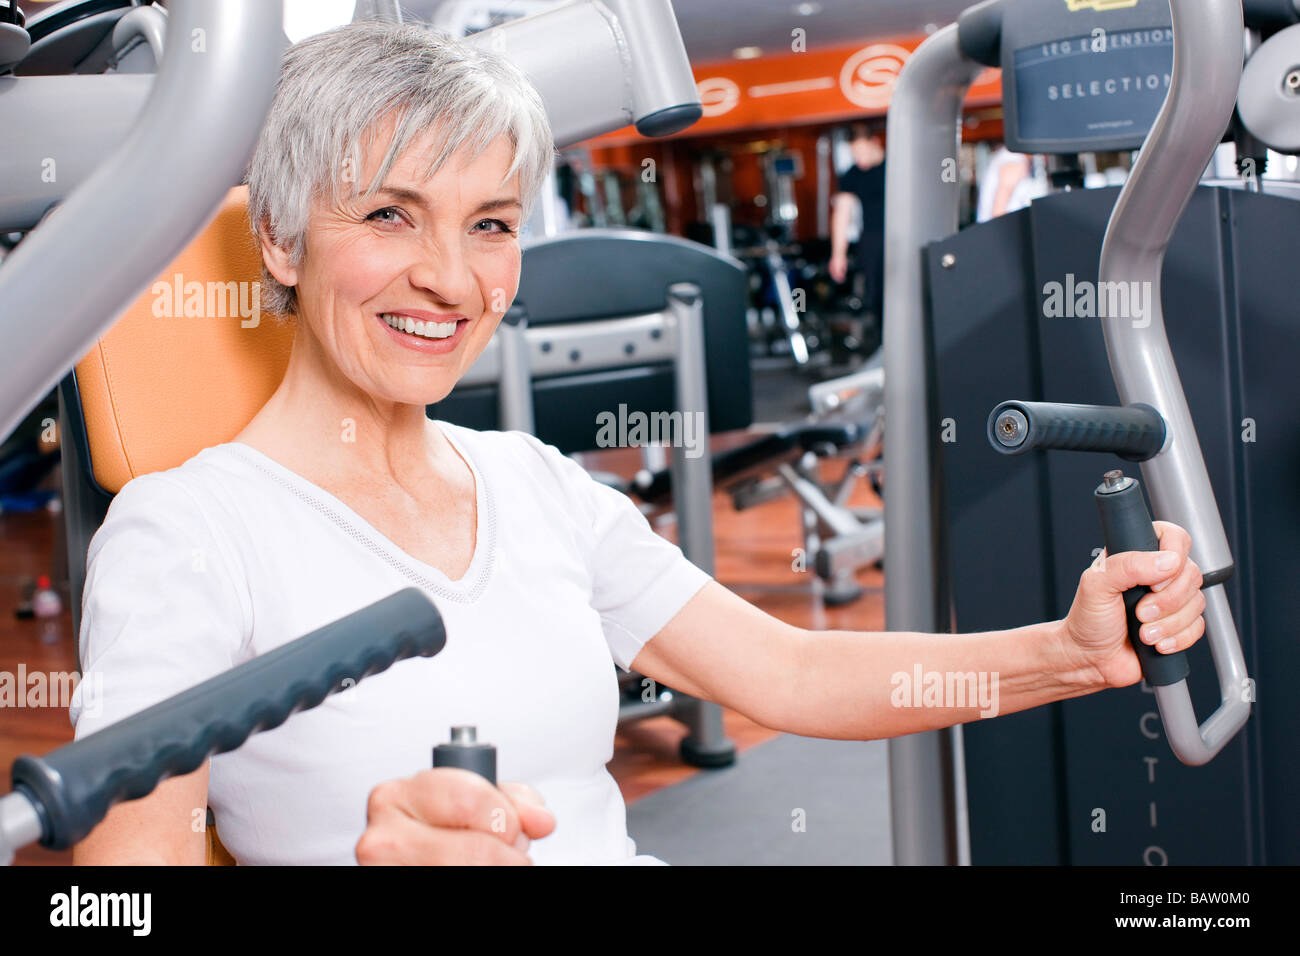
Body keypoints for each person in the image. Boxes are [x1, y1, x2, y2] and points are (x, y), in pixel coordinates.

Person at [69, 22, 1208, 866]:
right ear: (277, 236)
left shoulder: (530, 481)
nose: (451, 278)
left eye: (491, 225)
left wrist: (1066, 649)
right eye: (387, 214)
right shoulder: (188, 531)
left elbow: (790, 670)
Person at [829, 123, 886, 323]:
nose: (859, 158)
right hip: (871, 238)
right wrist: (838, 255)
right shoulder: (852, 174)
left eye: (862, 151)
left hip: (900, 235)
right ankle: (884, 343)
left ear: (875, 143)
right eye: (854, 153)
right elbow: (841, 214)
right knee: (876, 295)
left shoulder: (895, 168)